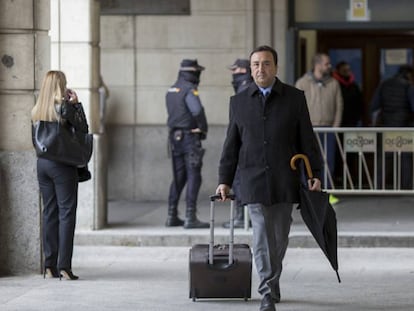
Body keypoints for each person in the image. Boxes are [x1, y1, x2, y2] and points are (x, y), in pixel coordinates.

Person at [216, 46, 322, 311]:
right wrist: (224, 180)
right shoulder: (238, 102)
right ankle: (266, 291)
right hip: (252, 179)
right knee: (262, 235)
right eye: (255, 65)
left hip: (286, 179)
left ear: (275, 67)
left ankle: (272, 283)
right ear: (250, 68)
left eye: (265, 64)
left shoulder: (295, 98)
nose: (260, 69)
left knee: (279, 237)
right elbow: (231, 145)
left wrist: (315, 175)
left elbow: (307, 140)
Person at [31, 70, 88, 280]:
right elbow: (83, 129)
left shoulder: (37, 110)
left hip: (42, 164)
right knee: (66, 214)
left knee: (50, 212)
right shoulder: (64, 108)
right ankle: (64, 266)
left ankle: (49, 265)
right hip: (62, 165)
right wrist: (76, 104)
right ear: (60, 86)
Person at [165, 59, 209, 229]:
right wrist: (203, 128)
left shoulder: (171, 90)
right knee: (193, 176)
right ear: (193, 73)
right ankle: (191, 217)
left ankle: (171, 215)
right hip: (190, 138)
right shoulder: (189, 90)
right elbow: (197, 110)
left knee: (178, 177)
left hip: (174, 138)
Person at [295, 53, 343, 204]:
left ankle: (327, 192)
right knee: (308, 161)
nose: (329, 66)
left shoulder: (333, 83)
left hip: (328, 129)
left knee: (328, 161)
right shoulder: (303, 83)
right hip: (309, 129)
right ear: (317, 65)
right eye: (326, 64)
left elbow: (339, 105)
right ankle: (308, 192)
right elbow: (295, 106)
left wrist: (335, 127)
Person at [370, 64, 414, 189]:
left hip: (387, 127)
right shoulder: (408, 86)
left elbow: (374, 106)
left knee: (384, 158)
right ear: (409, 74)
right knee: (405, 158)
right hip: (403, 128)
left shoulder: (384, 84)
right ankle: (406, 188)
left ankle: (378, 187)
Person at [222, 58, 253, 229]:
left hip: (243, 143)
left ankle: (243, 217)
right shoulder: (245, 87)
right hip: (244, 141)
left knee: (239, 180)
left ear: (242, 71)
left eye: (235, 71)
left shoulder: (244, 88)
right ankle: (243, 215)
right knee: (238, 180)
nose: (233, 74)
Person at [332, 61, 364, 185]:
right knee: (337, 153)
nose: (347, 72)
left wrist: (359, 119)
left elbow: (360, 104)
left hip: (352, 125)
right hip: (337, 125)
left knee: (351, 153)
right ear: (339, 70)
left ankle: (350, 179)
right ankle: (338, 178)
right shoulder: (335, 84)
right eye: (344, 70)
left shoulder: (354, 86)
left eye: (348, 70)